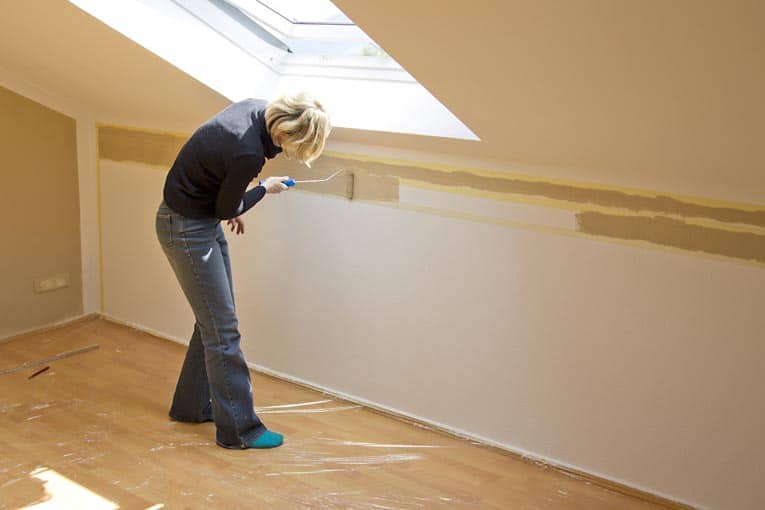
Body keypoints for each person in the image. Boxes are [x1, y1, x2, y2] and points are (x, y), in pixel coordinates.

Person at [155, 93, 330, 449]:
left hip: (194, 217)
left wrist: (231, 200)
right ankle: (240, 431)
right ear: (287, 132)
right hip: (187, 228)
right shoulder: (249, 152)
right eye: (296, 145)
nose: (292, 151)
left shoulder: (253, 107)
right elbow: (227, 202)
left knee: (215, 323)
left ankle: (190, 407)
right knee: (223, 332)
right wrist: (264, 189)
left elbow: (217, 172)